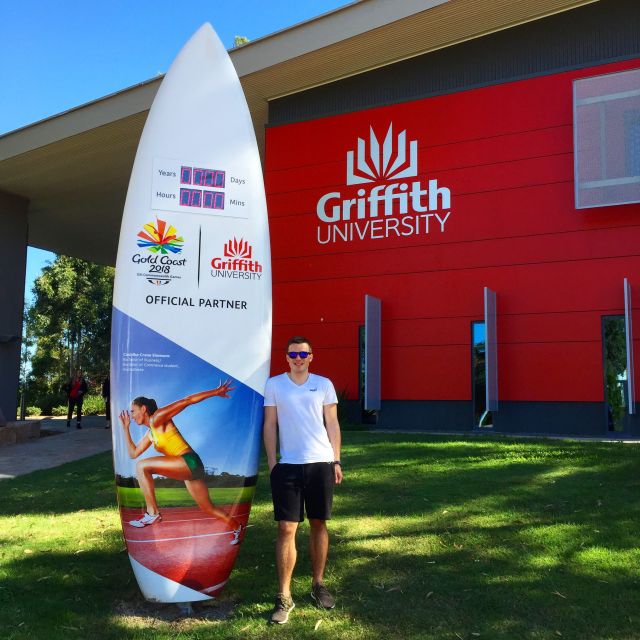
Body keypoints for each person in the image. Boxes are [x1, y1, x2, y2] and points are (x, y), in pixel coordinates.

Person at [263, 336, 343, 624]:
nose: (298, 358)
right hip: (288, 466)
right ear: (286, 357)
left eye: (303, 354)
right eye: (293, 354)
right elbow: (270, 424)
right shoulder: (274, 385)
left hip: (320, 462)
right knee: (287, 527)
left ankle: (318, 584)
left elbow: (332, 423)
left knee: (319, 523)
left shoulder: (323, 384)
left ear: (311, 357)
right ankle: (284, 595)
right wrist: (273, 462)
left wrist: (336, 459)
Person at [118, 379, 243, 544]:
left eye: (133, 411)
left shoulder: (158, 417)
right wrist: (126, 428)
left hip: (189, 461)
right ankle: (237, 528)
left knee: (142, 466)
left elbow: (187, 401)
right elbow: (133, 453)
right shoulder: (151, 434)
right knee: (207, 507)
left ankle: (152, 513)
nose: (132, 416)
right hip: (189, 468)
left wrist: (215, 392)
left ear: (143, 408)